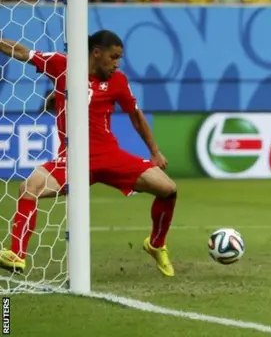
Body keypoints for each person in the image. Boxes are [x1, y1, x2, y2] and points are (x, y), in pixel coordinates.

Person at [0, 30, 178, 277]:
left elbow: (136, 116)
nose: (117, 64)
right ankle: (17, 255)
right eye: (113, 57)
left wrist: (155, 151)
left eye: (119, 58)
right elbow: (21, 51)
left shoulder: (118, 81)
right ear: (96, 53)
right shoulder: (63, 65)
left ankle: (156, 244)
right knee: (29, 188)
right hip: (73, 158)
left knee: (168, 189)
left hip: (109, 156)